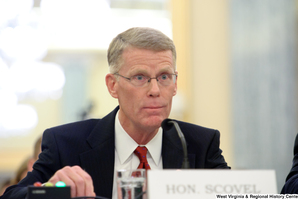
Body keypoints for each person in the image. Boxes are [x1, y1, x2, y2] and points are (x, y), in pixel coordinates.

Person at [0, 27, 230, 199]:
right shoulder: (66, 144)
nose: (155, 90)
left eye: (164, 77)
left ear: (175, 83)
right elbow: (11, 196)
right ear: (112, 86)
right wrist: (52, 192)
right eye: (140, 77)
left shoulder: (198, 144)